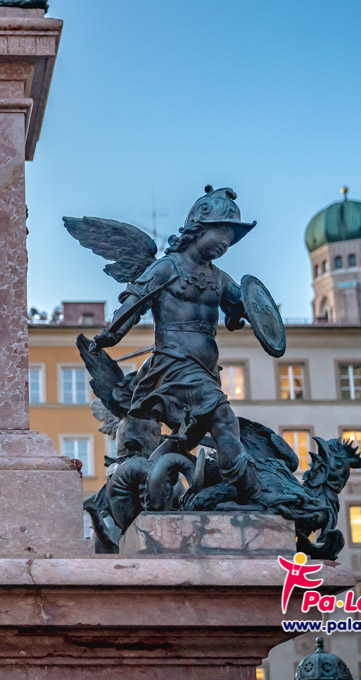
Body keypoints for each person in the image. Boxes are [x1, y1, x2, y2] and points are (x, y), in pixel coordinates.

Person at [92, 187, 260, 501]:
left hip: (206, 369)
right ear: (198, 228)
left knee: (189, 436)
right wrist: (110, 335)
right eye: (221, 232)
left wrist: (261, 314)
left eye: (231, 238)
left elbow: (248, 307)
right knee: (223, 419)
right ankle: (252, 494)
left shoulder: (219, 278)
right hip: (174, 363)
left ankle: (150, 481)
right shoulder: (168, 268)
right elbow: (134, 301)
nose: (226, 242)